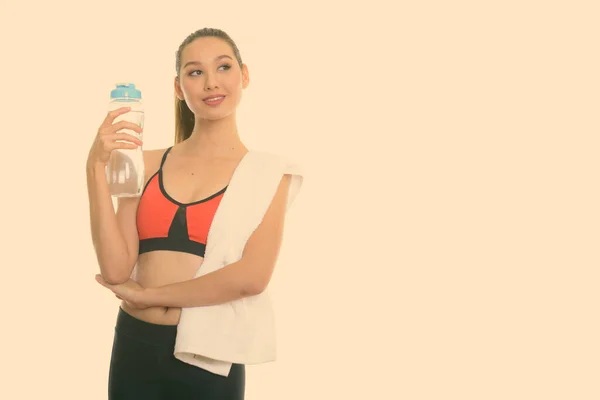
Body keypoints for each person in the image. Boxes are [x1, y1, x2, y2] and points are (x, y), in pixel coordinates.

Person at [86, 27, 292, 400]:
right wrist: (93, 170)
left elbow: (251, 278)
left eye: (223, 67)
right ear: (179, 88)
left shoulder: (266, 175)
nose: (211, 83)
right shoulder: (146, 164)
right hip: (135, 345)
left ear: (244, 75)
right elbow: (117, 270)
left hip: (208, 356)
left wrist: (151, 295)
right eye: (195, 72)